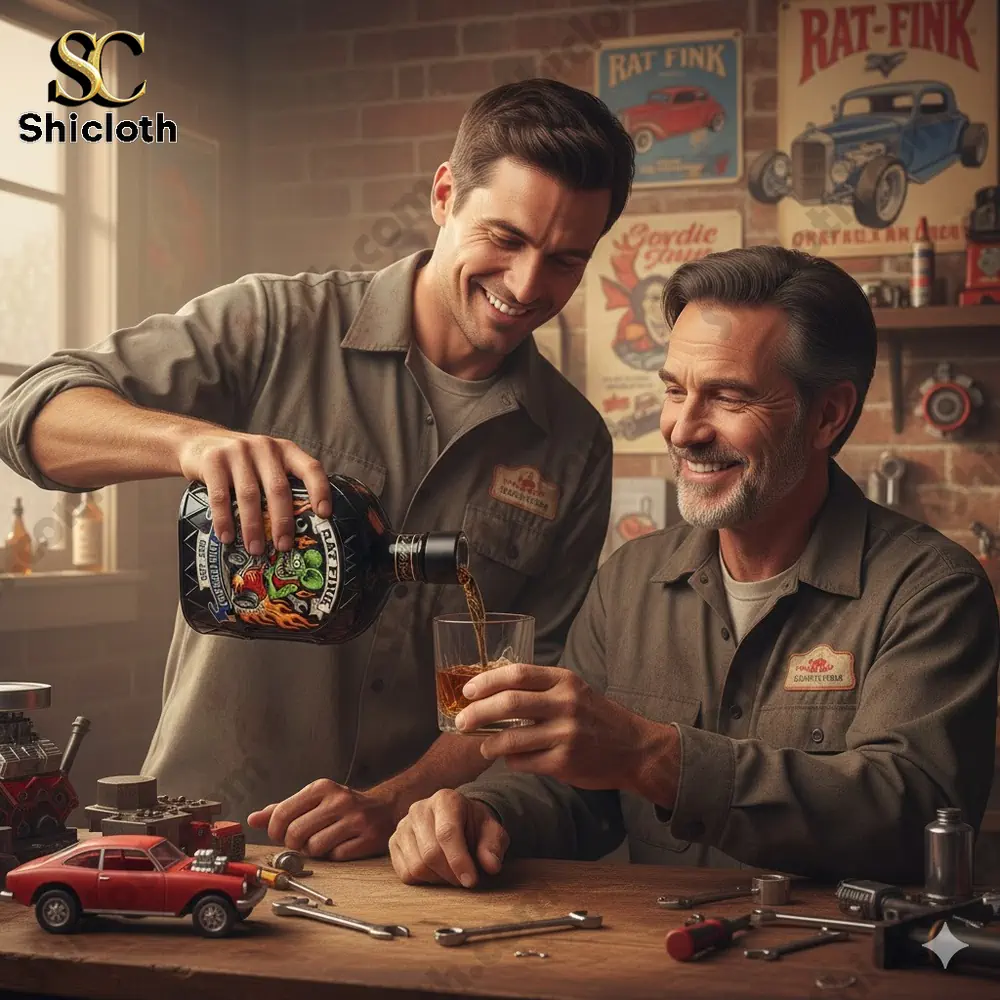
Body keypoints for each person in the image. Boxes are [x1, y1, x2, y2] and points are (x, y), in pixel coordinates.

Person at [0, 79, 635, 857]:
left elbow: (529, 687)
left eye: (566, 259)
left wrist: (394, 803)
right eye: (505, 237)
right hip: (208, 837)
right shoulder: (272, 323)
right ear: (444, 195)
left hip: (412, 856)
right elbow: (29, 413)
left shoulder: (574, 443)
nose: (528, 284)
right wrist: (191, 444)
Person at [388, 245, 1000, 888]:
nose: (683, 429)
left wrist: (657, 758)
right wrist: (482, 811)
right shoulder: (629, 581)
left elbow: (912, 812)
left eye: (728, 398)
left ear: (828, 415)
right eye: (676, 391)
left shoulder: (930, 592)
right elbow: (579, 792)